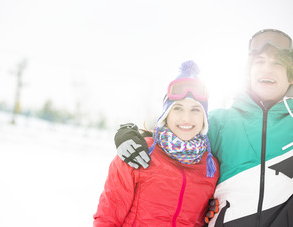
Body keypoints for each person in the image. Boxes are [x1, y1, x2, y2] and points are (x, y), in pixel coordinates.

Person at [113, 29, 293, 227]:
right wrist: (130, 134)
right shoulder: (219, 122)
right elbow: (172, 139)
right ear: (247, 74)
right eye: (259, 62)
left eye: (277, 63)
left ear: (290, 77)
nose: (267, 69)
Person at [93, 61, 220, 226]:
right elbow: (107, 218)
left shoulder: (211, 168)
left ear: (204, 118)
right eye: (178, 108)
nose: (186, 118)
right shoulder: (137, 152)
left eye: (195, 109)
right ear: (166, 114)